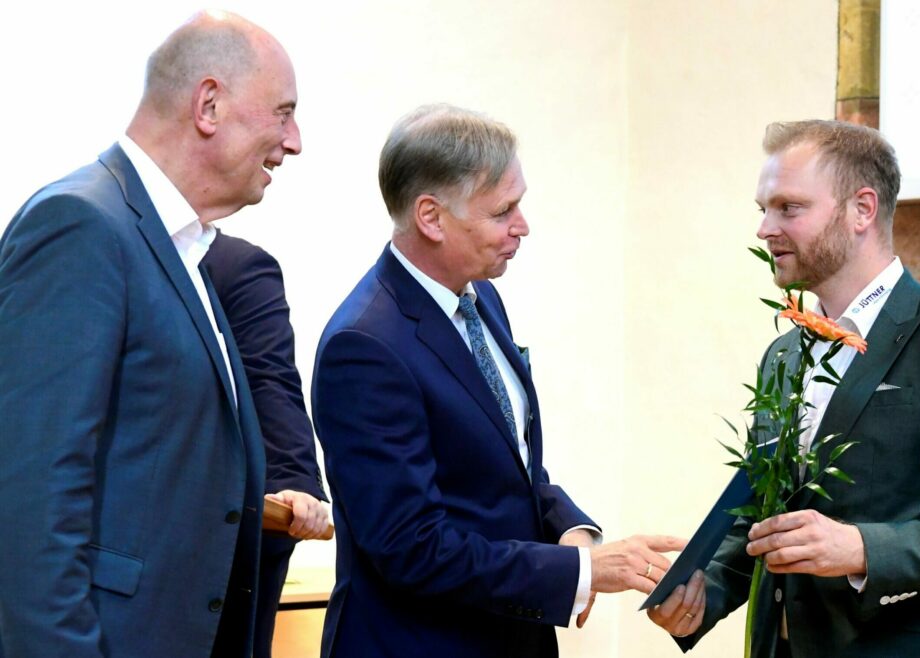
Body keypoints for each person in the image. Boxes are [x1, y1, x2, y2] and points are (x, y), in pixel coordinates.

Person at [312, 104, 683, 657]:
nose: (522, 225)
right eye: (502, 210)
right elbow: (411, 547)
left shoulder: (480, 297)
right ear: (431, 217)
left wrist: (571, 530)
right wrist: (579, 571)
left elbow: (505, 463)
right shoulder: (364, 346)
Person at [648, 120, 920, 657]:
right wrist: (704, 593)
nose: (765, 229)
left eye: (789, 208)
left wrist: (862, 548)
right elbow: (765, 512)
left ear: (862, 210)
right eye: (763, 210)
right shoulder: (782, 355)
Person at [0, 11, 302, 658]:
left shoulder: (185, 250)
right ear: (209, 105)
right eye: (282, 112)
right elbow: (31, 499)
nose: (294, 140)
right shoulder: (80, 226)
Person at [203, 231, 330, 658]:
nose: (287, 156)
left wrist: (296, 483)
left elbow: (268, 381)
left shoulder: (235, 266)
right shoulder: (82, 237)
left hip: (226, 560)